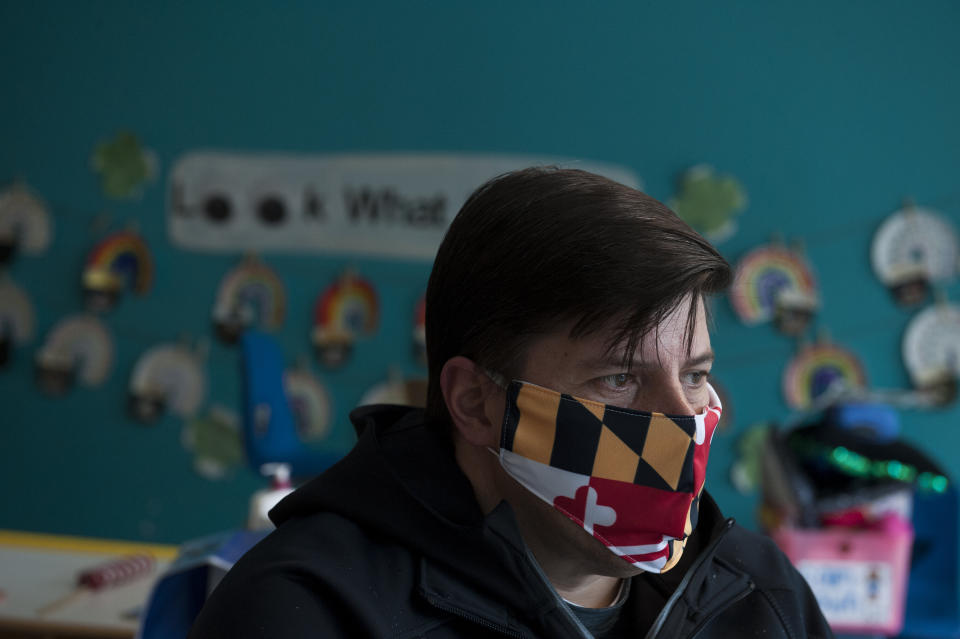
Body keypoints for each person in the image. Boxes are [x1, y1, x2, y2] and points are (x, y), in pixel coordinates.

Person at [189, 167, 833, 638]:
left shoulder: (761, 599)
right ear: (474, 402)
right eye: (618, 379)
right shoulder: (307, 613)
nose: (681, 423)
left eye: (695, 375)